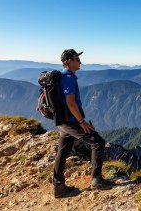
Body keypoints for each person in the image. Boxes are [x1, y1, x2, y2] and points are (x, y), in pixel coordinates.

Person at [53, 49, 115, 198]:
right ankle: (97, 179)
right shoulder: (68, 78)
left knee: (62, 152)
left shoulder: (63, 77)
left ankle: (58, 187)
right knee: (98, 143)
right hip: (71, 121)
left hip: (63, 121)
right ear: (68, 62)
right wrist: (82, 122)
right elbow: (70, 102)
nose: (80, 62)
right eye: (76, 59)